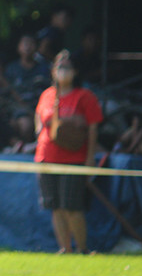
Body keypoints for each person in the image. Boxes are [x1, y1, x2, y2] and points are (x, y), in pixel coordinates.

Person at [34, 50, 103, 253]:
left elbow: (93, 128)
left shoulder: (85, 96)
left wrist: (90, 158)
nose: (63, 71)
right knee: (55, 206)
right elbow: (38, 117)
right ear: (53, 71)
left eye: (67, 67)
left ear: (75, 71)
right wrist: (38, 133)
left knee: (72, 207)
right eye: (59, 66)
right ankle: (65, 248)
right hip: (46, 158)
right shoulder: (47, 95)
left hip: (73, 159)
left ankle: (82, 249)